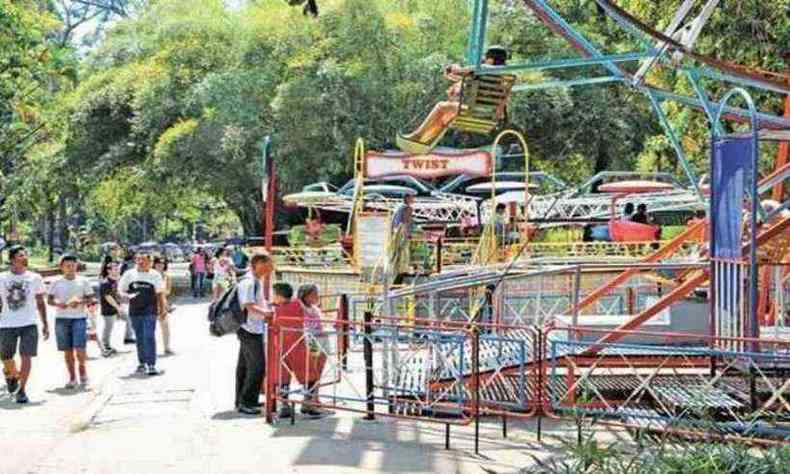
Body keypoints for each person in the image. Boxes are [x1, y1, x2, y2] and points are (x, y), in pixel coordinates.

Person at [397, 46, 509, 153]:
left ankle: (418, 135)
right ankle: (424, 141)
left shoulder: (485, 68)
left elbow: (458, 71)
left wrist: (453, 66)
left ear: (490, 58)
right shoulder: (502, 74)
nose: (484, 59)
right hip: (490, 116)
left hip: (477, 112)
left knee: (441, 106)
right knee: (447, 114)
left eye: (486, 57)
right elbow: (463, 77)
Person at [0, 246, 49, 404]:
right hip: (7, 323)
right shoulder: (2, 278)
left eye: (25, 254)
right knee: (6, 356)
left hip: (29, 323)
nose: (25, 257)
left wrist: (45, 323)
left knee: (26, 356)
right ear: (13, 258)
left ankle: (22, 390)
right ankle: (12, 374)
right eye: (21, 255)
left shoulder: (34, 277)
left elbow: (40, 301)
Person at [274, 282, 325, 418]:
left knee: (286, 376)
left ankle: (290, 403)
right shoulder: (297, 305)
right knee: (309, 374)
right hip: (300, 343)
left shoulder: (277, 308)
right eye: (314, 295)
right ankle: (306, 403)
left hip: (289, 344)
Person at [235, 252, 275, 415]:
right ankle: (246, 401)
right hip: (249, 328)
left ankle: (243, 400)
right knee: (258, 366)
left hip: (251, 327)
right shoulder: (249, 282)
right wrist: (267, 313)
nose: (270, 269)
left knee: (244, 367)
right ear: (258, 263)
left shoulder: (255, 280)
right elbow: (248, 305)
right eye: (268, 265)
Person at [47, 253, 94, 389]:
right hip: (62, 319)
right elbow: (49, 299)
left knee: (80, 348)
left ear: (77, 266)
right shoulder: (56, 282)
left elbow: (91, 298)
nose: (70, 268)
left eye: (73, 265)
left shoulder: (83, 281)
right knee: (67, 350)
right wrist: (58, 303)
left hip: (79, 318)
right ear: (62, 267)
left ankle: (83, 370)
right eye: (67, 265)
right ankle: (72, 377)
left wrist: (80, 301)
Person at [118, 251, 167, 376]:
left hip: (150, 309)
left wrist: (162, 309)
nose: (141, 262)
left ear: (150, 262)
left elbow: (160, 293)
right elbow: (120, 290)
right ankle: (142, 362)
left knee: (149, 335)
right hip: (135, 310)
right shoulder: (129, 274)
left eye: (144, 260)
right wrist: (124, 296)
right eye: (138, 260)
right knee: (139, 337)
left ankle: (151, 364)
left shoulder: (155, 275)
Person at [297, 284, 328, 416]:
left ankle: (315, 397)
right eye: (314, 294)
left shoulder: (315, 308)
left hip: (321, 339)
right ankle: (308, 400)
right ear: (306, 295)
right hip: (310, 340)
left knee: (319, 369)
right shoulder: (300, 307)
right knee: (312, 370)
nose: (317, 296)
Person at [99, 259, 134, 353]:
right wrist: (118, 307)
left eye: (118, 269)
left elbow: (118, 293)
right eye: (115, 269)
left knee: (128, 319)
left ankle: (128, 338)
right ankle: (105, 345)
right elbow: (108, 297)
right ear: (109, 270)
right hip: (108, 309)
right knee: (108, 327)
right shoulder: (105, 283)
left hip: (117, 307)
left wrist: (126, 297)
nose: (118, 270)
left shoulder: (117, 281)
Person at [153, 256, 174, 355]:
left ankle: (167, 347)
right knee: (150, 327)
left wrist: (161, 292)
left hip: (162, 303)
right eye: (158, 263)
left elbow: (168, 291)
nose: (160, 265)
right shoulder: (150, 275)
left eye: (162, 263)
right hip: (151, 303)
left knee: (165, 326)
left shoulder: (167, 276)